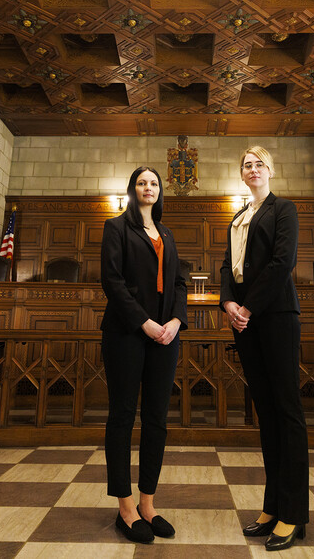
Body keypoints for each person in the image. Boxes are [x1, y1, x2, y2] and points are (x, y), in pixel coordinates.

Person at [220, 146, 308, 551]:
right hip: (246, 321)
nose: (252, 169)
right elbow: (226, 267)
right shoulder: (237, 218)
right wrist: (228, 304)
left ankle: (293, 513)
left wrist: (249, 306)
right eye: (246, 165)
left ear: (270, 170)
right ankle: (272, 506)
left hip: (274, 317)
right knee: (267, 415)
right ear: (241, 175)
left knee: (287, 413)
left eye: (258, 164)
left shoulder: (283, 209)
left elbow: (281, 262)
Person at [100, 166, 187, 544]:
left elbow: (180, 283)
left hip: (165, 337)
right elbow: (112, 282)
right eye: (141, 183)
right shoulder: (116, 227)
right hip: (126, 334)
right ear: (133, 190)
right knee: (122, 417)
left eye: (153, 183)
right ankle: (125, 506)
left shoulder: (166, 233)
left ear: (160, 191)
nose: (148, 188)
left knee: (156, 419)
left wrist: (176, 321)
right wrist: (145, 323)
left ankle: (148, 503)